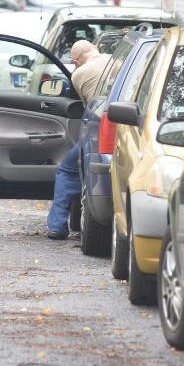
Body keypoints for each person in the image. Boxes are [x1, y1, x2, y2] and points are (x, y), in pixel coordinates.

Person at [47, 40, 112, 240]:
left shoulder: (79, 74)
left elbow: (90, 109)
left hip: (101, 130)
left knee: (67, 171)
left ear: (77, 61)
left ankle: (57, 226)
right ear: (96, 48)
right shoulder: (116, 61)